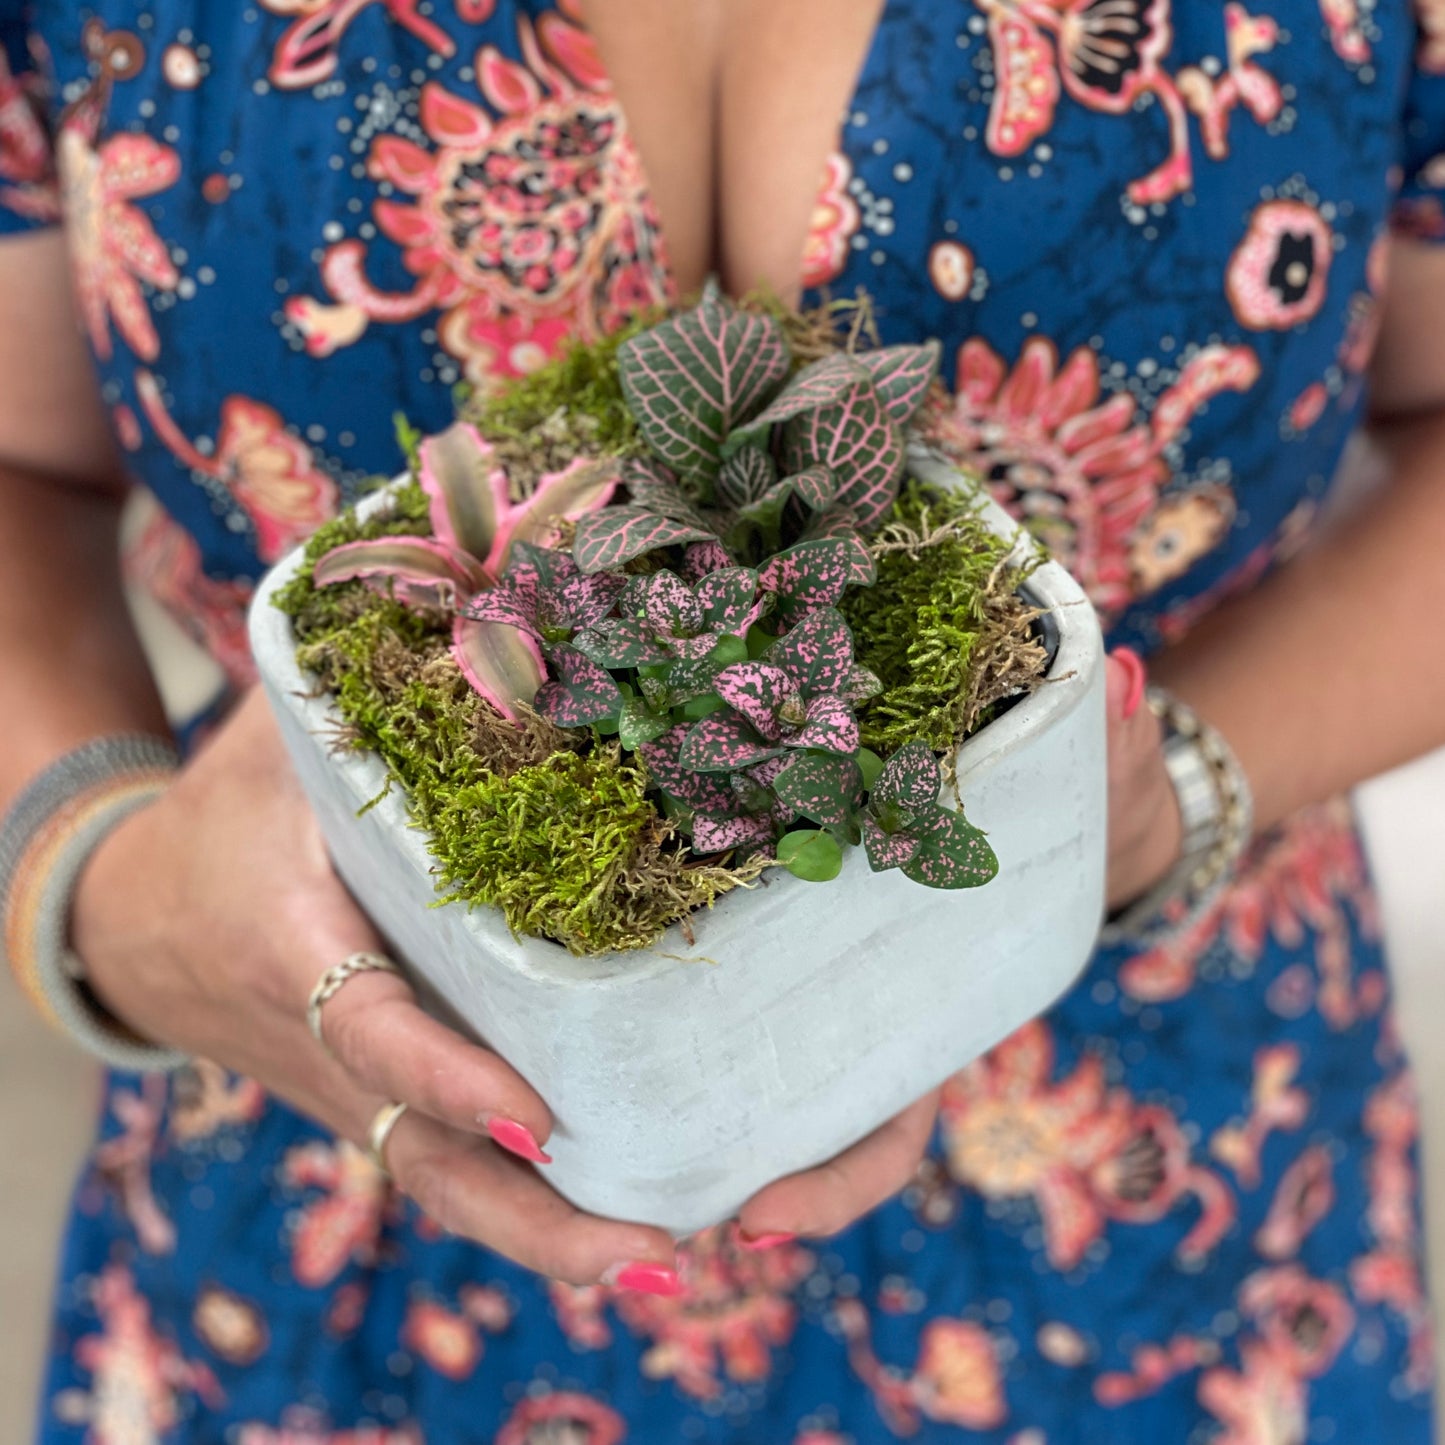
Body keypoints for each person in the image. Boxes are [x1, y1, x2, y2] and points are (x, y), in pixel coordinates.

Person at [1, 0, 1441, 1439]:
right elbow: (24, 465)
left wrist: (1176, 783)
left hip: (1143, 1180)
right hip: (346, 1148)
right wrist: (103, 879)